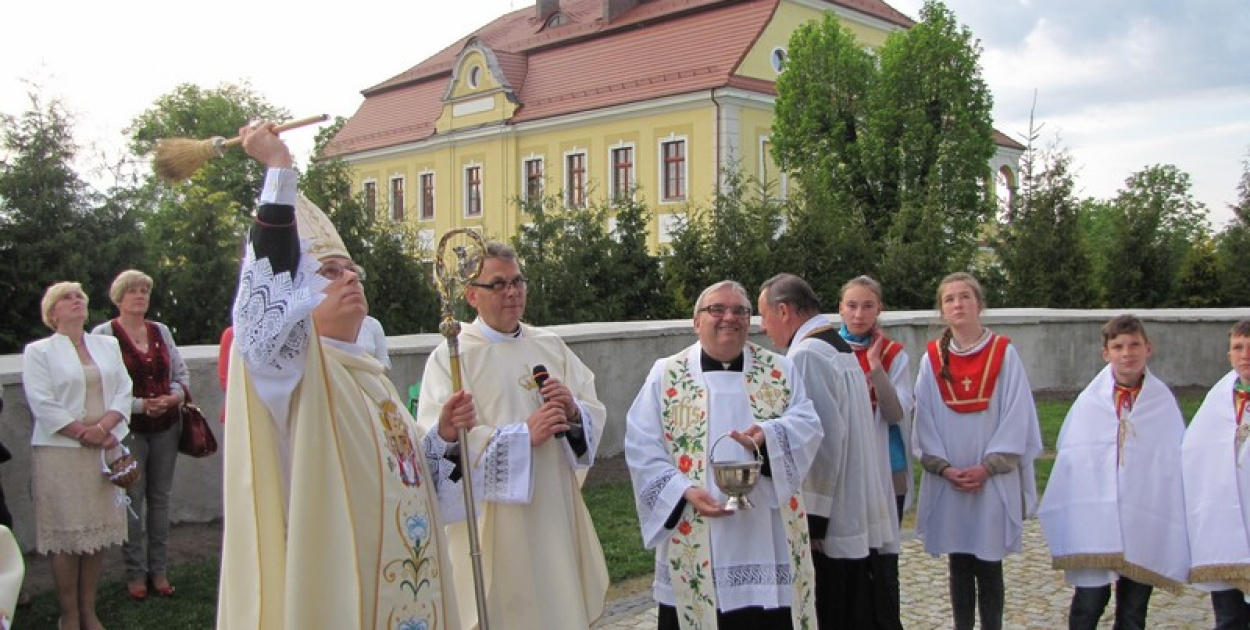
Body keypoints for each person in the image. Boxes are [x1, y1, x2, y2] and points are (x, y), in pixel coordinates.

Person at [217, 121, 471, 630]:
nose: (350, 277)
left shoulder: (373, 378)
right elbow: (261, 309)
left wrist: (441, 440)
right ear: (297, 295)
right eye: (330, 271)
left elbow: (402, 483)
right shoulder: (291, 370)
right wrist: (279, 172)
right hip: (339, 594)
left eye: (353, 270)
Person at [415, 241, 610, 630]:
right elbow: (443, 443)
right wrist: (522, 437)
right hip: (496, 524)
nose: (512, 292)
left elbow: (591, 412)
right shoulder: (453, 357)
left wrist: (574, 412)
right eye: (498, 284)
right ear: (472, 295)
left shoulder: (549, 345)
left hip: (554, 509)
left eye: (518, 281)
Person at [626, 279, 823, 630]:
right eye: (716, 309)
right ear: (696, 321)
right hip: (696, 526)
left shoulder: (780, 370)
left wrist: (769, 437)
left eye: (739, 311)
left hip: (767, 536)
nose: (729, 318)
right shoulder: (667, 374)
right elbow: (642, 446)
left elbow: (808, 425)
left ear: (750, 320)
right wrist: (683, 491)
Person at [756, 273, 901, 630]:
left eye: (764, 315)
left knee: (837, 610)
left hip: (833, 517)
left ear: (784, 310)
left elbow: (819, 444)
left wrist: (813, 521)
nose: (762, 326)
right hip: (851, 498)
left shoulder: (807, 355)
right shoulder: (834, 344)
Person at [1038, 315, 1189, 629]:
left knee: (1133, 610)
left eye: (1134, 345)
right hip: (1095, 519)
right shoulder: (1089, 403)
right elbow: (1074, 460)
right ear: (1106, 353)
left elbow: (1172, 462)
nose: (1127, 353)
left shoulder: (1162, 404)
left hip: (1143, 518)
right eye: (1118, 346)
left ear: (1148, 348)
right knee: (1089, 603)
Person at [912, 272, 1042, 630]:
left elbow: (1017, 414)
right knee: (958, 562)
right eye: (949, 299)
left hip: (991, 478)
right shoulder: (932, 359)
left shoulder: (1004, 353)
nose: (958, 304)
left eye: (965, 296)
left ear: (979, 304)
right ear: (942, 310)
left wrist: (989, 466)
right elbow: (924, 416)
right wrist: (943, 467)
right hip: (951, 477)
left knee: (989, 562)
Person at [22, 281, 133, 630]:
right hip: (62, 454)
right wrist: (82, 432)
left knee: (95, 536)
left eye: (80, 297)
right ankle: (69, 614)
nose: (76, 301)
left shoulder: (107, 345)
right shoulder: (39, 351)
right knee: (69, 538)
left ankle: (89, 611)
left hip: (105, 449)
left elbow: (124, 389)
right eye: (67, 298)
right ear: (52, 312)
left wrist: (104, 428)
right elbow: (42, 402)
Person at [91, 269, 190, 600]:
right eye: (132, 291)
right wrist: (139, 405)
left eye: (144, 291)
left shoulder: (161, 330)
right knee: (132, 500)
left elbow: (180, 373)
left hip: (167, 426)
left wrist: (173, 397)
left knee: (160, 498)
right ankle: (135, 573)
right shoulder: (104, 335)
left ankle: (159, 570)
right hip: (128, 429)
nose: (139, 296)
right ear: (119, 298)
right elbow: (102, 387)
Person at [1183, 319, 1250, 628]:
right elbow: (1194, 454)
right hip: (1223, 526)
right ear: (1229, 355)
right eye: (1238, 347)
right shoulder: (1218, 400)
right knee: (1228, 617)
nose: (1245, 355)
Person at [838, 276, 915, 524]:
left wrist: (875, 366)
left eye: (868, 306)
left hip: (888, 465)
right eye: (852, 306)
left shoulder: (894, 354)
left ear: (879, 308)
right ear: (840, 308)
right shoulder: (826, 351)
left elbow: (895, 414)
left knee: (886, 545)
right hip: (844, 466)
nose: (859, 314)